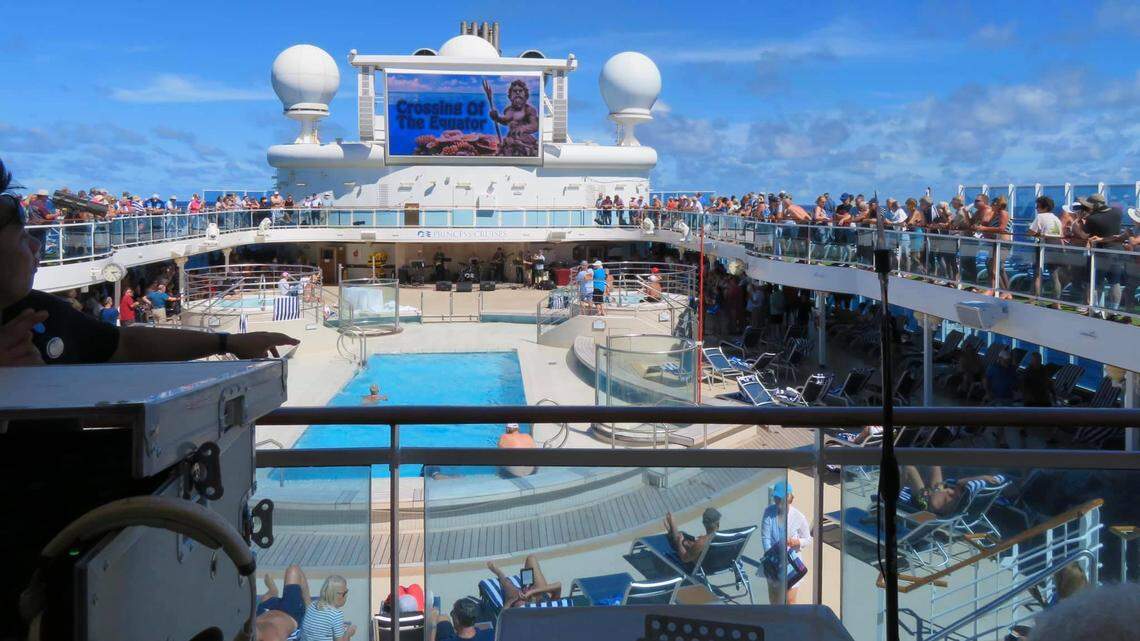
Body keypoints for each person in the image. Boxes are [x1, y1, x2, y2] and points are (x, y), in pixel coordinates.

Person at [0, 159, 298, 368]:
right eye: (21, 236)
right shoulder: (39, 315)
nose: (37, 244)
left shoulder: (44, 312)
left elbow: (126, 344)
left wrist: (227, 343)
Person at [761, 481, 811, 604]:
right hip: (773, 562)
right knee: (774, 598)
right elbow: (765, 538)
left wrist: (796, 542)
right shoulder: (768, 512)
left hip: (791, 564)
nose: (778, 501)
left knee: (790, 600)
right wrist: (772, 556)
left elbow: (808, 539)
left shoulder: (799, 517)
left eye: (781, 498)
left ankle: (790, 622)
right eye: (776, 498)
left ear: (789, 498)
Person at [897, 466, 1005, 516]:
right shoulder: (970, 496)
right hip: (934, 493)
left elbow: (960, 482)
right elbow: (959, 484)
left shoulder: (963, 495)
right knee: (935, 465)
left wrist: (984, 477)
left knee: (909, 468)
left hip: (925, 503)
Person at [485, 78, 539, 157]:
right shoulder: (508, 110)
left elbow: (534, 125)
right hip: (510, 141)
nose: (517, 93)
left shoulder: (529, 110)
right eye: (515, 91)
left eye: (520, 91)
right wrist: (496, 117)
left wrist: (523, 128)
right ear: (510, 96)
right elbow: (505, 120)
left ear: (526, 95)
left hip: (525, 142)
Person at [255, 565, 311, 641]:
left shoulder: (245, 632)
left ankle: (273, 590)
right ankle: (310, 609)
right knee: (293, 570)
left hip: (265, 612)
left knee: (266, 599)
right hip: (289, 613)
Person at [486, 556, 562, 608]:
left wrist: (512, 601)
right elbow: (558, 585)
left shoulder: (519, 605)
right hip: (540, 596)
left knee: (506, 583)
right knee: (531, 559)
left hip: (518, 600)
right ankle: (531, 590)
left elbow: (502, 618)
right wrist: (532, 592)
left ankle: (499, 573)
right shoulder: (548, 608)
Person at [300, 575, 355, 641]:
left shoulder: (312, 605)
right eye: (345, 592)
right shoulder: (336, 615)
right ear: (339, 596)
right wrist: (348, 633)